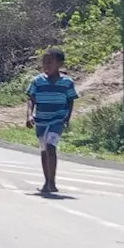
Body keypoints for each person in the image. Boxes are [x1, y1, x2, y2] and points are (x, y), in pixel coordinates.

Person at [26, 47, 78, 194]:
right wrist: (29, 115)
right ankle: (46, 181)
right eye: (44, 62)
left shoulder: (67, 82)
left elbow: (70, 100)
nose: (46, 65)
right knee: (44, 150)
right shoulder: (37, 81)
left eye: (50, 62)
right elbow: (31, 99)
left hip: (57, 120)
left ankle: (52, 182)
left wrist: (67, 117)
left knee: (50, 146)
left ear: (59, 64)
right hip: (41, 120)